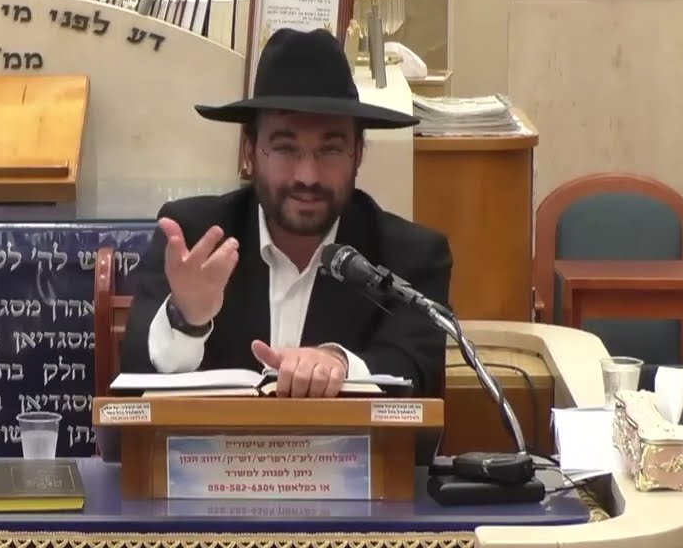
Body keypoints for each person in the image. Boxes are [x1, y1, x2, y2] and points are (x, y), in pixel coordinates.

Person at [120, 27, 452, 398]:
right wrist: (187, 320)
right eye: (284, 149)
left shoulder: (409, 256)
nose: (307, 176)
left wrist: (340, 365)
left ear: (358, 153)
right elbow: (132, 381)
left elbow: (414, 375)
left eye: (330, 150)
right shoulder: (195, 238)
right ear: (250, 151)